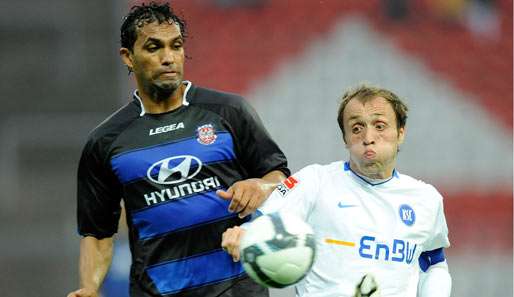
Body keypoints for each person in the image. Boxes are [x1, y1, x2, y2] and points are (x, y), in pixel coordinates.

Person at [67, 3, 289, 297]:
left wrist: (261, 185)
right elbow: (97, 233)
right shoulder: (106, 141)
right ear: (128, 57)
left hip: (237, 288)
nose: (168, 58)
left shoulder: (229, 111)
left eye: (176, 46)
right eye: (154, 47)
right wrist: (90, 287)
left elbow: (283, 180)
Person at [222, 85, 451, 297]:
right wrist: (245, 234)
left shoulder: (426, 199)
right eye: (356, 128)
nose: (368, 138)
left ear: (401, 133)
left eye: (379, 126)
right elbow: (266, 223)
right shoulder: (314, 181)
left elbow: (433, 262)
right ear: (345, 138)